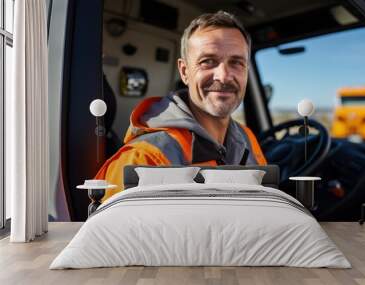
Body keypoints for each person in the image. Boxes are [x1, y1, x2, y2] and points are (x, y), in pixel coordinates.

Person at [95, 11, 267, 200]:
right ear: (184, 72)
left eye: (236, 62)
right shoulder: (143, 159)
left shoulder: (247, 138)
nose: (224, 76)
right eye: (208, 61)